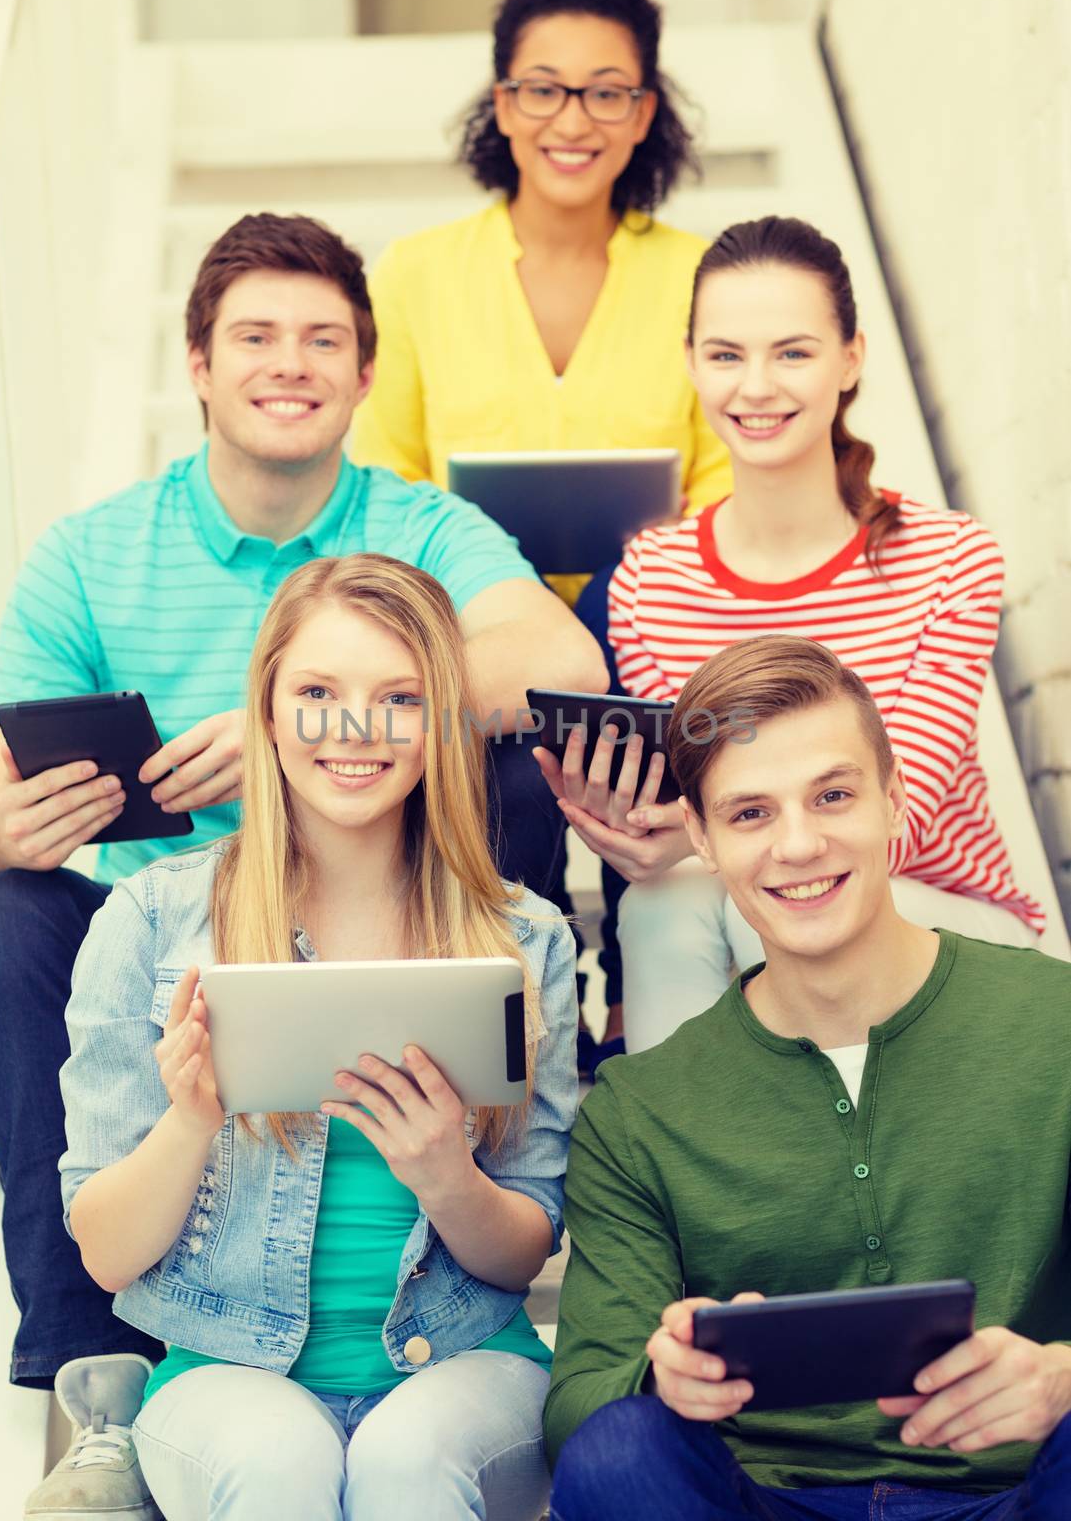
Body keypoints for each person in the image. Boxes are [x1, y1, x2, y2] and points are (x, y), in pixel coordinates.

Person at [0, 213, 603, 1510]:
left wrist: (319, 723)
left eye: (323, 337)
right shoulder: (94, 551)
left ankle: (459, 936)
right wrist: (8, 830)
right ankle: (94, 1373)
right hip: (189, 921)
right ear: (197, 362)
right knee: (9, 909)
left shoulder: (420, 525)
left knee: (514, 768)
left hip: (408, 888)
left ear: (368, 376)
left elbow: (563, 668)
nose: (289, 362)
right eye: (255, 335)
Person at [52, 554, 578, 1521]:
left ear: (439, 724)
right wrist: (190, 1121)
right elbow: (104, 1255)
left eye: (399, 696)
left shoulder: (525, 936)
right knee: (280, 1463)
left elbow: (524, 1249)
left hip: (464, 1357)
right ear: (267, 712)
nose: (355, 729)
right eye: (318, 692)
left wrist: (444, 1176)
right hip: (226, 1367)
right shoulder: (151, 918)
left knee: (408, 1466)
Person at [545, 635, 1071, 1520]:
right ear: (702, 840)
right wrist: (660, 1376)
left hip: (1020, 1492)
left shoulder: (1052, 1019)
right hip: (767, 1501)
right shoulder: (639, 1110)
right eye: (749, 814)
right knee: (618, 1452)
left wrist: (1060, 1377)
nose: (799, 843)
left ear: (894, 803)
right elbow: (575, 1409)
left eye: (832, 796)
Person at [534, 215, 1043, 1054]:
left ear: (850, 359)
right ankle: (692, 1168)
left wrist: (704, 844)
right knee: (666, 902)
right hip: (753, 903)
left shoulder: (951, 558)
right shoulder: (651, 578)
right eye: (726, 355)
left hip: (945, 921)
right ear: (691, 362)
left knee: (745, 897)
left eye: (792, 353)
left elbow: (889, 819)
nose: (756, 387)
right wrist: (645, 832)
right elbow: (695, 801)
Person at [352, 0, 733, 1053]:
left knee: (640, 703)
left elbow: (723, 488)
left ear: (644, 109)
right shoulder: (416, 277)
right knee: (513, 782)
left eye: (606, 89)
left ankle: (640, 1026)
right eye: (542, 86)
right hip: (482, 651)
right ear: (501, 102)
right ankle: (525, 1040)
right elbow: (384, 490)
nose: (574, 117)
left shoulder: (699, 276)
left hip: (652, 645)